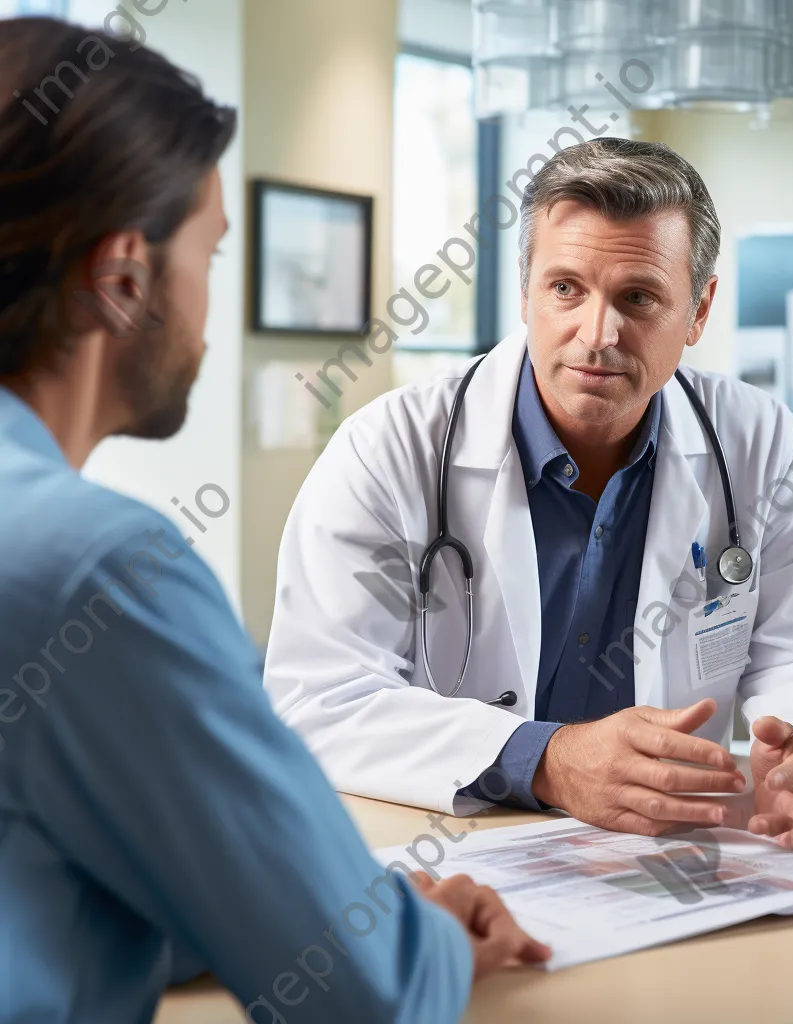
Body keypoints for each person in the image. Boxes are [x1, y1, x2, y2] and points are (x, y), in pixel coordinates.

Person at [0, 17, 547, 1024]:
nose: (211, 310)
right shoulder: (100, 572)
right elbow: (361, 992)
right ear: (124, 278)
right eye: (209, 252)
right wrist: (413, 931)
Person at [265, 137, 793, 847]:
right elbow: (319, 699)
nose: (598, 333)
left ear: (699, 310)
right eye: (566, 289)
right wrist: (546, 760)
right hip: (446, 858)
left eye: (638, 297)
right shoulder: (389, 449)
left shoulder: (758, 441)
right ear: (526, 288)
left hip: (666, 858)